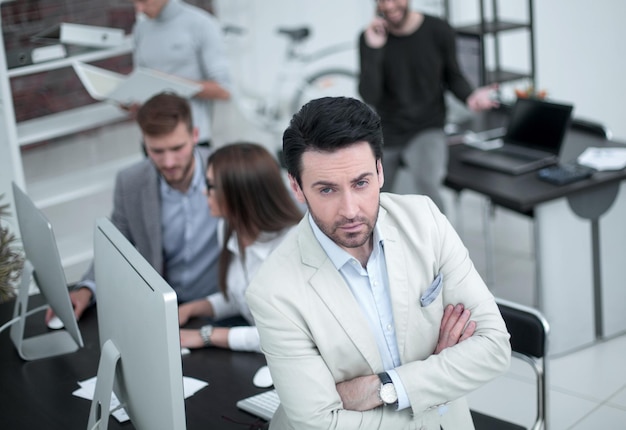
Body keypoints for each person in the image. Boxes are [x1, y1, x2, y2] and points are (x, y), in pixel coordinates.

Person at [245, 97, 511, 429]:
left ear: (380, 171)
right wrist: (436, 379)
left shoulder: (425, 220)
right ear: (296, 187)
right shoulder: (273, 290)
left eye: (361, 183)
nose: (351, 210)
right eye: (327, 190)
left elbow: (494, 346)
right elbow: (319, 423)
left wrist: (384, 388)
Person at [47, 92, 220, 323]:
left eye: (177, 148)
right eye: (157, 151)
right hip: (162, 309)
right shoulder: (130, 182)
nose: (169, 162)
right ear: (144, 145)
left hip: (219, 305)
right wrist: (85, 290)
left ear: (196, 135)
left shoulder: (226, 171)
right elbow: (116, 247)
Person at [359, 0, 499, 211]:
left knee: (428, 185)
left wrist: (470, 96)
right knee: (369, 192)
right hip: (386, 129)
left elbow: (453, 76)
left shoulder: (438, 29)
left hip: (427, 126)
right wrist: (374, 49)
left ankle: (439, 243)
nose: (388, 6)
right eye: (382, 1)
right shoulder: (369, 37)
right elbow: (369, 94)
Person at [178, 142, 302, 352]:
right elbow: (243, 298)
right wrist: (192, 308)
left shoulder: (292, 247)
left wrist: (207, 335)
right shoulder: (227, 227)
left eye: (210, 186)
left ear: (239, 192)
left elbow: (286, 335)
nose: (203, 192)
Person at [131, 0, 231, 146]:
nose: (138, 9)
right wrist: (129, 99)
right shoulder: (140, 29)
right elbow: (141, 80)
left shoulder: (201, 24)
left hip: (191, 140)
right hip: (151, 140)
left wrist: (168, 84)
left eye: (144, 1)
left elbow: (224, 90)